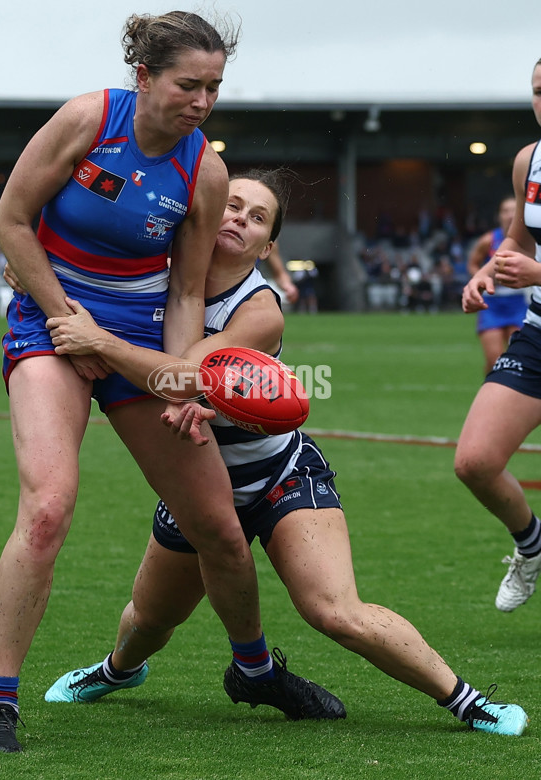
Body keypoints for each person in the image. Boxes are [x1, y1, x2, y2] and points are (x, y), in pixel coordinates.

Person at [40, 169, 527, 736]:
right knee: (150, 618)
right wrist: (36, 274)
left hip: (277, 473)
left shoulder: (260, 311)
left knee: (336, 611)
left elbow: (181, 375)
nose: (237, 219)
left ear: (267, 247)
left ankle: (469, 702)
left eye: (256, 218)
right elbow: (79, 273)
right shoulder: (156, 273)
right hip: (195, 480)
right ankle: (119, 671)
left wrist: (102, 343)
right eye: (231, 205)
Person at [0, 13, 334, 754]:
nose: (203, 101)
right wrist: (65, 318)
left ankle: (254, 669)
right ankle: (0, 701)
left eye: (215, 87)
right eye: (188, 85)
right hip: (49, 324)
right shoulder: (89, 119)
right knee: (48, 508)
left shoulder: (206, 170)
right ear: (145, 76)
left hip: (139, 337)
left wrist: (180, 381)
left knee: (220, 530)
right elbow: (11, 220)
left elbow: (189, 292)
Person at [457, 57, 541, 614]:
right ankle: (532, 545)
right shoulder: (529, 161)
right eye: (538, 90)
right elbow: (519, 240)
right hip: (538, 333)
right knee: (475, 462)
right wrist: (490, 270)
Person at [467, 196, 528, 374]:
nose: (510, 215)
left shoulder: (529, 240)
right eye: (505, 211)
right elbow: (472, 263)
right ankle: (491, 389)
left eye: (514, 210)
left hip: (519, 302)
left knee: (517, 359)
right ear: (499, 216)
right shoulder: (489, 240)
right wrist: (481, 278)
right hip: (491, 304)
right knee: (494, 359)